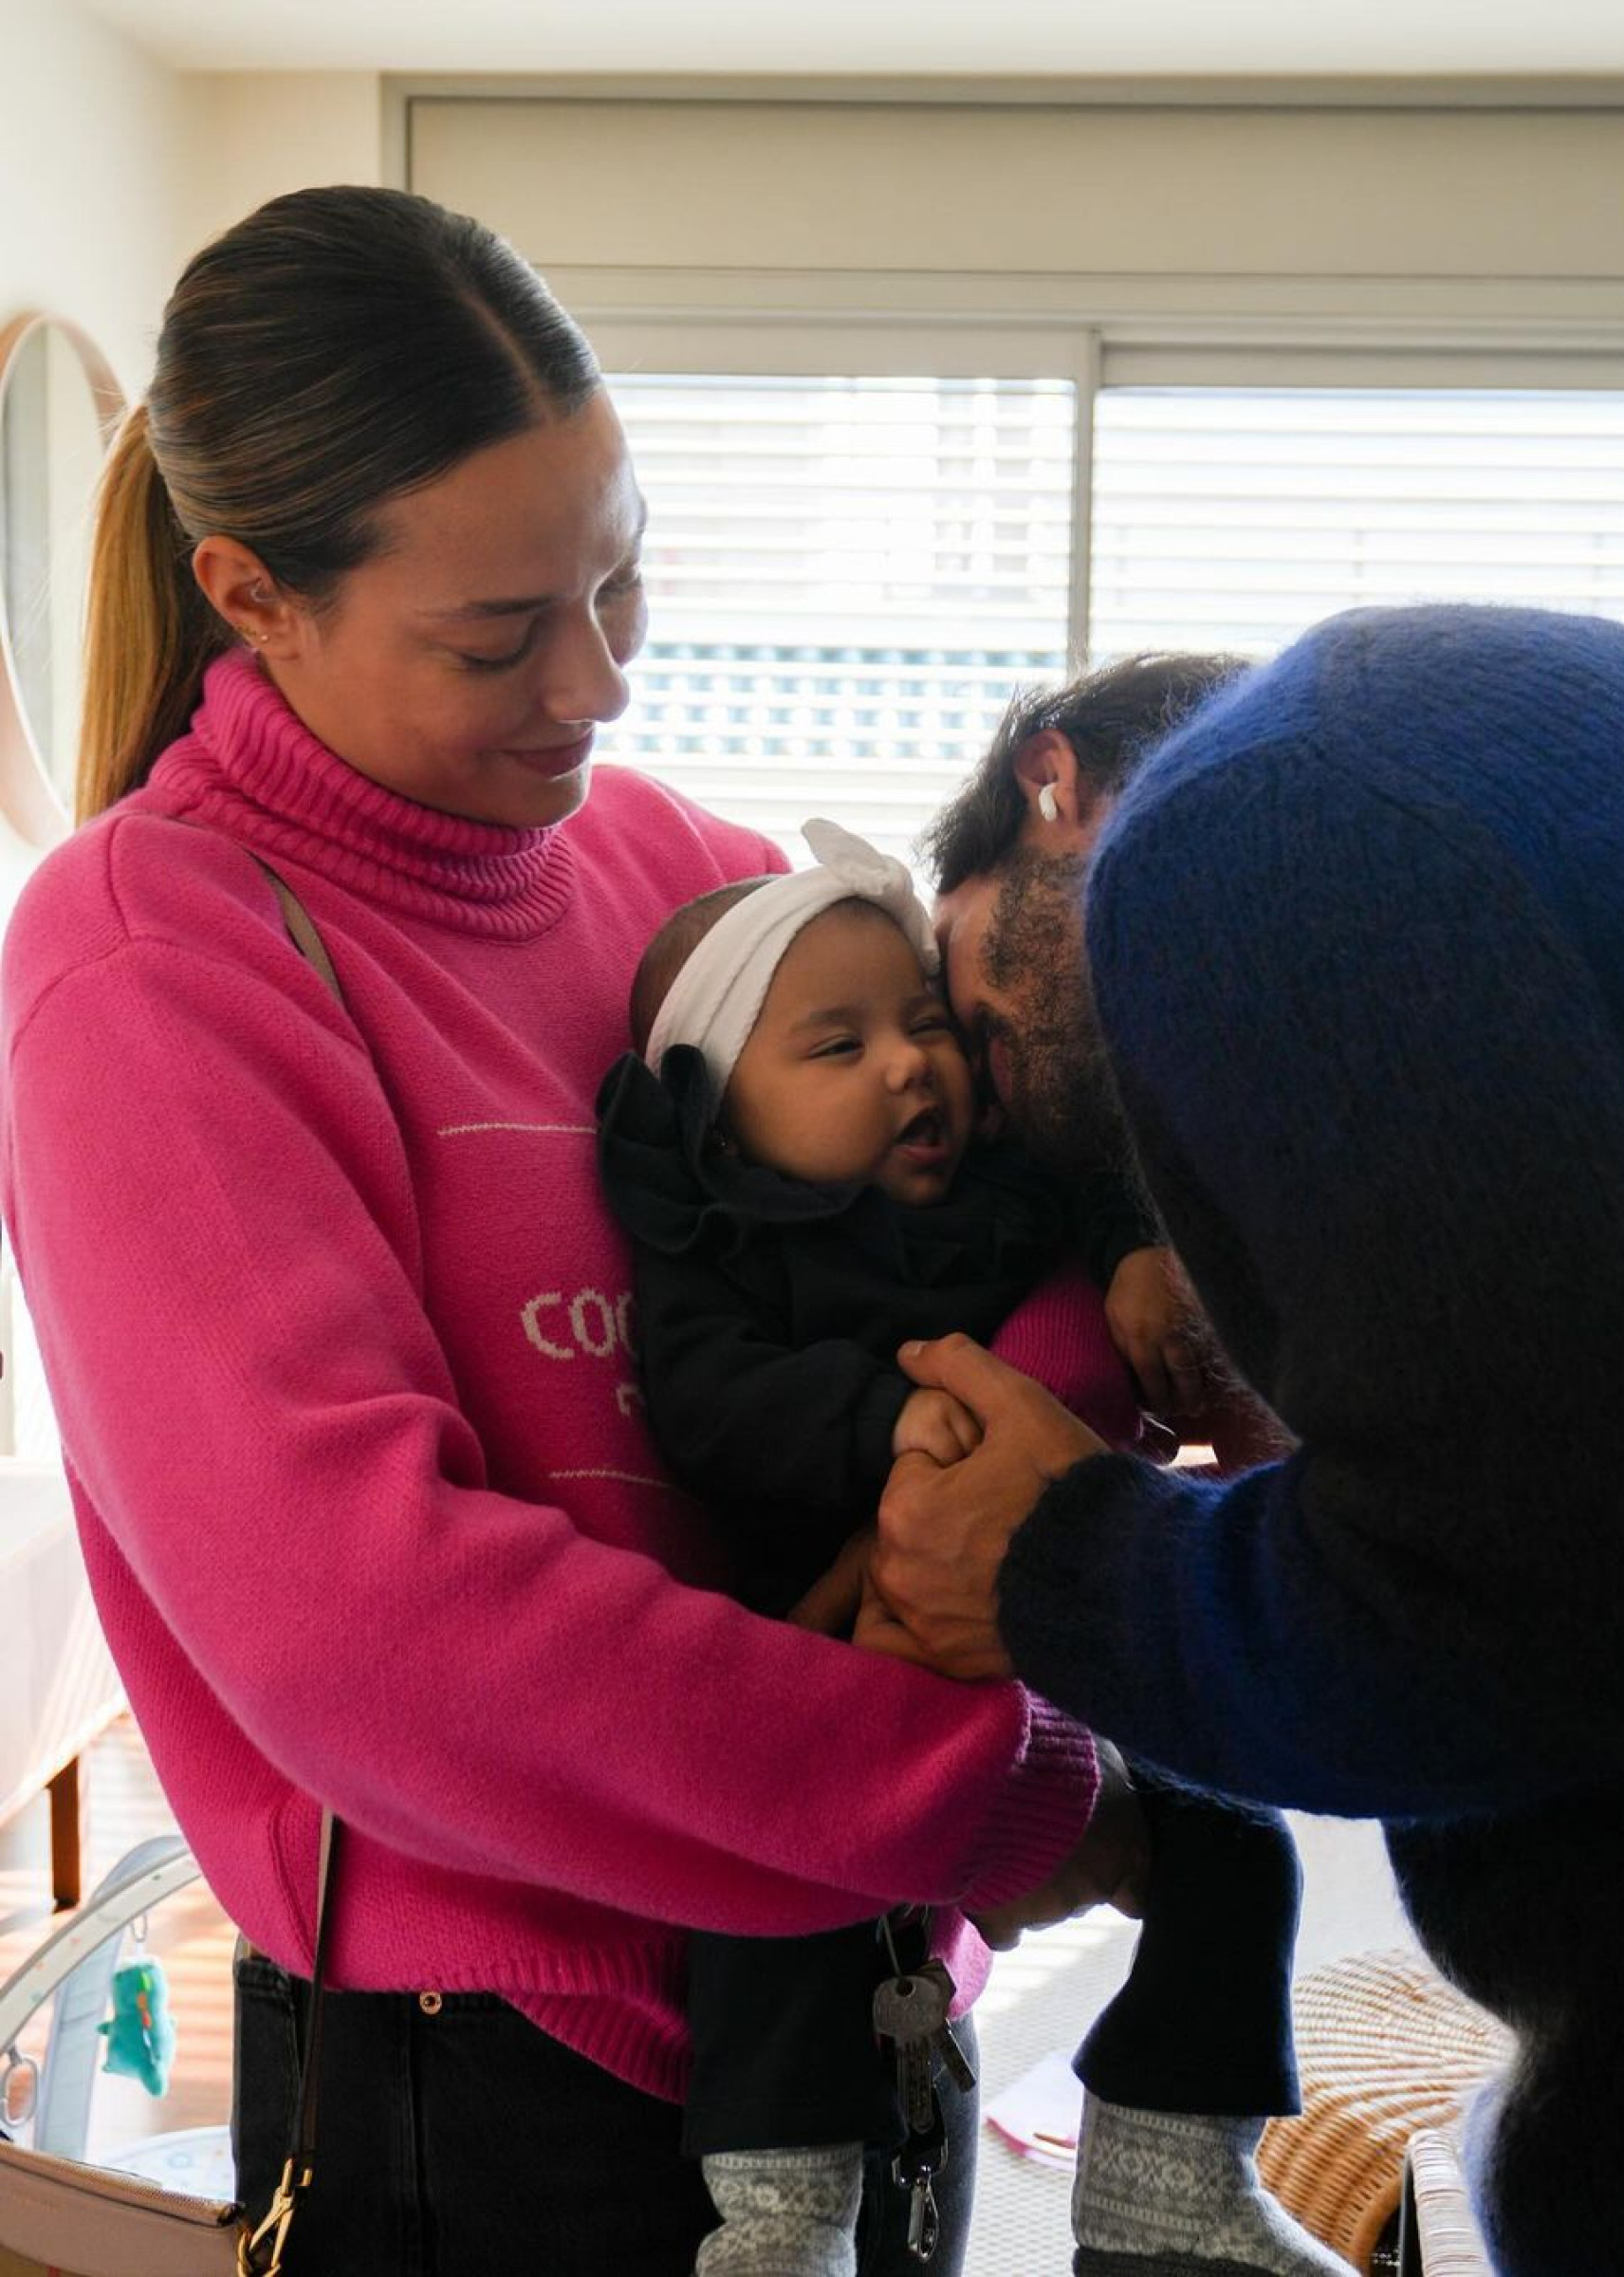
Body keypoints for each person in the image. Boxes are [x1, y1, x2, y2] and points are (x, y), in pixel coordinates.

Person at [0, 184, 1143, 2277]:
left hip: (863, 1983)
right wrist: (960, 1777)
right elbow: (371, 1628)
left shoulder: (675, 877)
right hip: (518, 2072)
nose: (600, 682)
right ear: (251, 594)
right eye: (498, 634)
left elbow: (998, 1219)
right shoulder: (146, 964)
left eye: (622, 582)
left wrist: (1011, 1499)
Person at [869, 605, 1624, 2276]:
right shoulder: (1488, 718)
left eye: (967, 1009)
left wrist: (1060, 1559)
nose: (979, 1094)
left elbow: (1573, 1605)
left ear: (1053, 788)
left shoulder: (1254, 825)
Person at [596, 820, 1349, 2277]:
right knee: (771, 1903)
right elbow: (707, 1403)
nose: (908, 1065)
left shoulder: (1011, 1195)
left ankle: (1167, 2182)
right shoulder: (722, 1243)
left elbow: (1110, 1182)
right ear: (716, 1113)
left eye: (923, 1023)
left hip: (1028, 1663)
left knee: (1234, 1832)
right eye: (837, 1047)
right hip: (814, 1664)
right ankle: (779, 2224)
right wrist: (892, 1421)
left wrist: (1135, 1255)